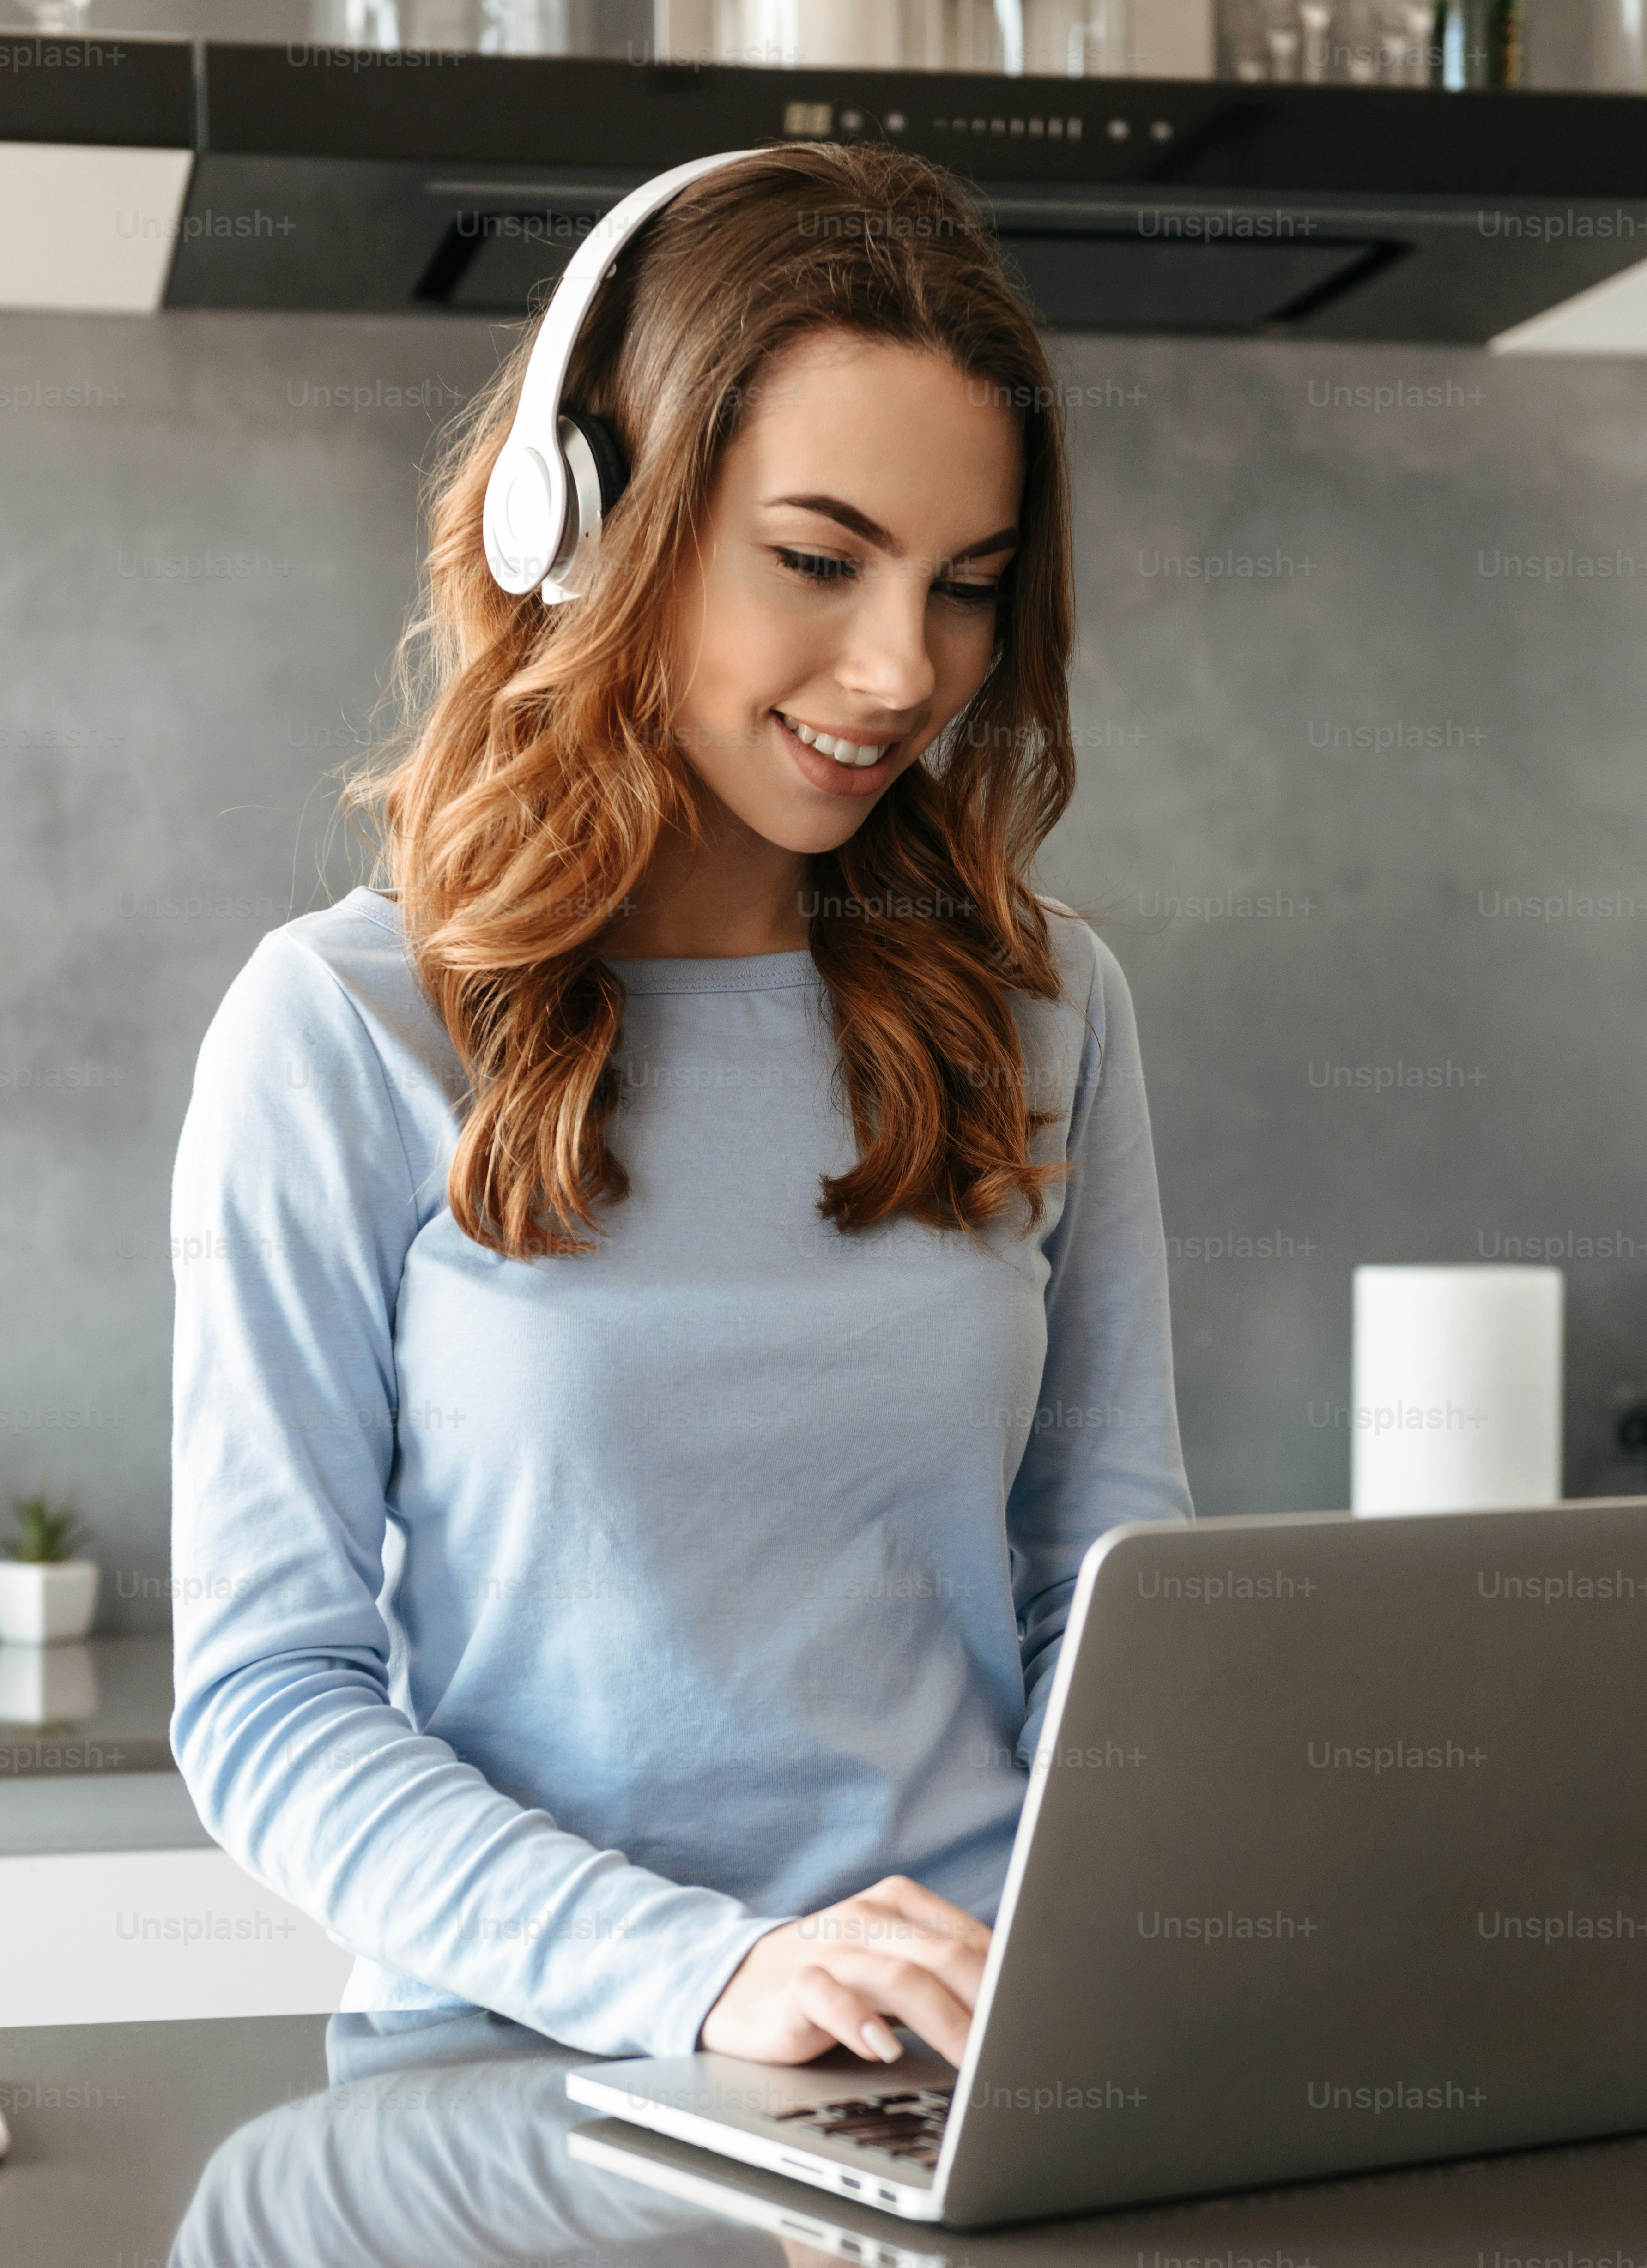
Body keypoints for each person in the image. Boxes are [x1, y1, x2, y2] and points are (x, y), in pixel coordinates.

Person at [166, 140, 1193, 2072]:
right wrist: (711, 1974)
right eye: (816, 561)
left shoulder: (1051, 1009)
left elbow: (1099, 1601)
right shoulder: (340, 1031)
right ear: (586, 522)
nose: (901, 671)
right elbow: (267, 1700)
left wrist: (1098, 1980)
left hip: (959, 2071)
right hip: (522, 2069)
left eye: (965, 589)